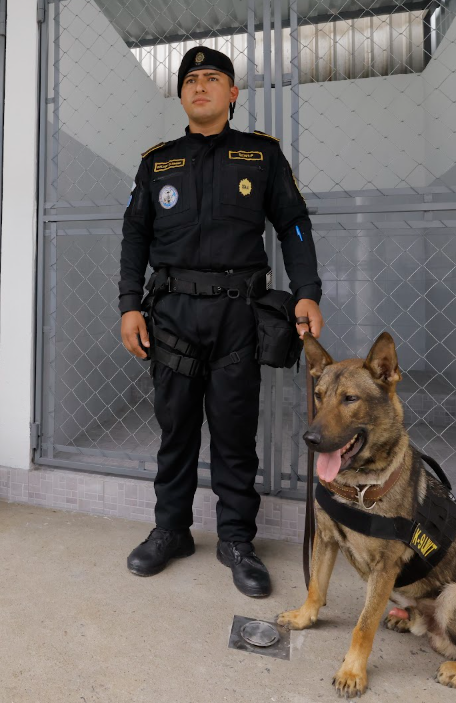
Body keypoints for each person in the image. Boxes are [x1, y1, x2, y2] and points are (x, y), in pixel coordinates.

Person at [118, 46, 323, 597]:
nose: (200, 86)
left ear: (232, 94)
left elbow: (294, 224)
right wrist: (129, 305)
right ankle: (171, 531)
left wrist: (307, 292)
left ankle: (236, 541)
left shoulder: (261, 156)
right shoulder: (157, 163)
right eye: (191, 80)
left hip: (238, 316)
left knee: (234, 434)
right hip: (172, 316)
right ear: (182, 95)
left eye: (212, 78)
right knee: (176, 431)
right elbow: (134, 235)